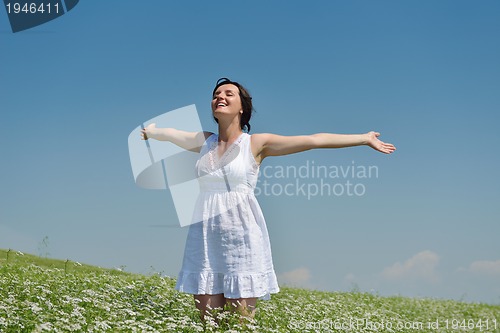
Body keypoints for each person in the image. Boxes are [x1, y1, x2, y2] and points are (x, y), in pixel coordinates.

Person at [141, 78, 396, 324]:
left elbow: (313, 140)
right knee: (208, 324)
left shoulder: (255, 143)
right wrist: (152, 132)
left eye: (229, 94)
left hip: (241, 239)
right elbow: (172, 134)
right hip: (205, 239)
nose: (220, 97)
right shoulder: (204, 142)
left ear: (242, 107)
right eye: (216, 95)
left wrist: (363, 138)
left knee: (240, 324)